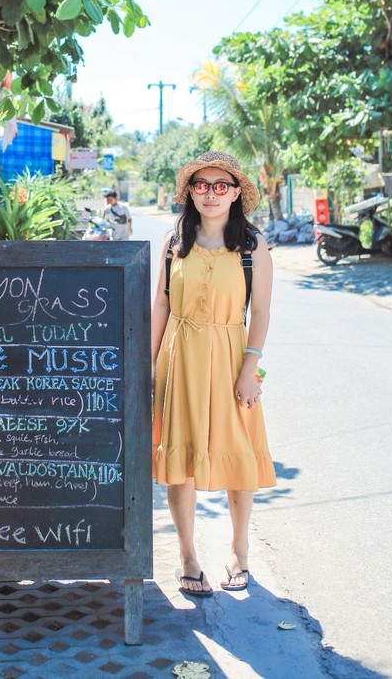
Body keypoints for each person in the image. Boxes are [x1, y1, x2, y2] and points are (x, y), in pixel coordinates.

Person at [151, 150, 276, 597]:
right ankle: (188, 557)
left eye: (220, 185)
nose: (210, 193)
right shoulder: (174, 241)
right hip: (178, 357)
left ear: (236, 193)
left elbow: (260, 312)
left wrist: (250, 368)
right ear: (190, 192)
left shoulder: (253, 246)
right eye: (201, 185)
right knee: (179, 460)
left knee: (239, 455)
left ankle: (239, 552)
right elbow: (162, 305)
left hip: (230, 357)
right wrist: (151, 368)